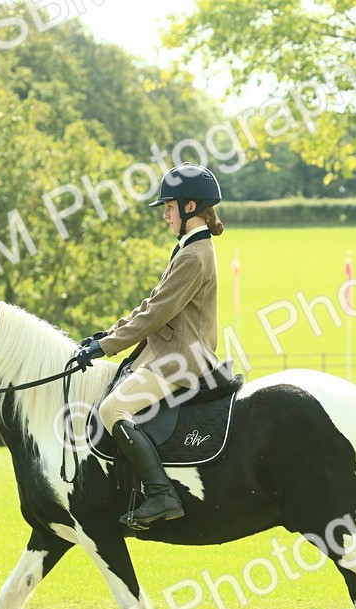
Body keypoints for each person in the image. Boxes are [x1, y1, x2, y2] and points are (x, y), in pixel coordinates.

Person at [75, 162, 224, 528]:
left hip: (182, 360)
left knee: (112, 411)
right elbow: (149, 306)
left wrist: (105, 348)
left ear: (190, 206)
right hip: (169, 353)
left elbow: (157, 313)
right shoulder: (190, 248)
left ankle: (161, 495)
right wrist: (105, 336)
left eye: (169, 208)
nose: (165, 216)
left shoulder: (193, 255)